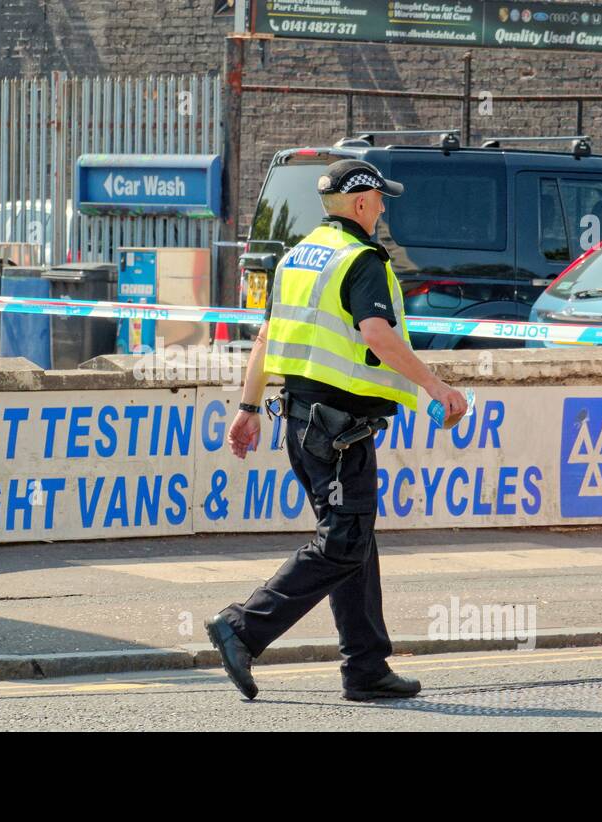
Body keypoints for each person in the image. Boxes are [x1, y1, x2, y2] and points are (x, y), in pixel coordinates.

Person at [206, 158, 468, 700]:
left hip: (301, 421)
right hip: (338, 428)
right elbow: (377, 334)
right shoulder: (363, 259)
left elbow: (265, 340)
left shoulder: (297, 258)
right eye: (381, 199)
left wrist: (248, 409)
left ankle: (367, 667)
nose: (385, 208)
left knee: (355, 542)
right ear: (362, 203)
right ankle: (243, 626)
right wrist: (434, 386)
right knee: (344, 542)